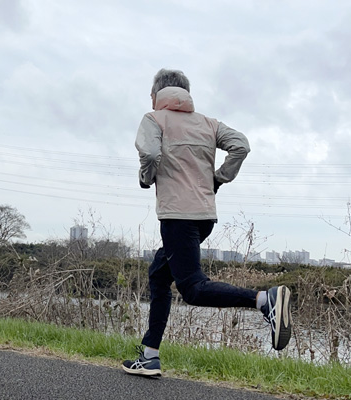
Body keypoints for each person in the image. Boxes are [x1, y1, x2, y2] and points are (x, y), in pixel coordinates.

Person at [122, 69, 292, 377]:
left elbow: (148, 152)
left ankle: (264, 299)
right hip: (204, 218)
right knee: (159, 275)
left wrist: (146, 177)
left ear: (156, 95)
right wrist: (218, 179)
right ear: (185, 93)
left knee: (193, 289)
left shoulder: (154, 119)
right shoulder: (208, 123)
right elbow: (241, 145)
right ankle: (149, 355)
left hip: (177, 217)